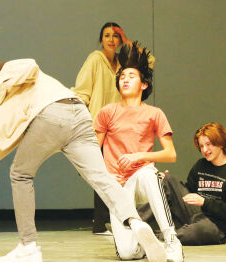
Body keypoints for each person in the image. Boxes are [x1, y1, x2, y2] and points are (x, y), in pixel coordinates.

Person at [0, 58, 167, 262]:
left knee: (20, 175)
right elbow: (4, 143)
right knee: (101, 177)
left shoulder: (16, 77)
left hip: (53, 115)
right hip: (78, 115)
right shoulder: (30, 92)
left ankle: (28, 246)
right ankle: (135, 221)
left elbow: (29, 64)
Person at [94, 43, 183, 261]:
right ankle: (150, 246)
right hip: (116, 186)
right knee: (127, 254)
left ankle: (172, 240)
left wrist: (139, 156)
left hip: (140, 177)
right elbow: (93, 150)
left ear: (144, 84)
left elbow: (170, 154)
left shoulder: (154, 113)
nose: (124, 79)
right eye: (122, 76)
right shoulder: (107, 112)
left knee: (149, 174)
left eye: (131, 76)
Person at [73, 22, 155, 234]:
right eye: (107, 35)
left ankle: (114, 220)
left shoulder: (124, 63)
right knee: (102, 173)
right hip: (100, 125)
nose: (111, 39)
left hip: (120, 125)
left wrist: (128, 41)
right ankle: (100, 223)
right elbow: (83, 90)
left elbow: (149, 61)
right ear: (101, 40)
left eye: (115, 36)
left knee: (116, 173)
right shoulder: (94, 59)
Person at [156, 123, 226, 245]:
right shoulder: (200, 165)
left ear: (220, 143)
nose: (205, 150)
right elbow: (188, 191)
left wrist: (205, 202)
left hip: (216, 226)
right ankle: (131, 222)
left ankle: (158, 238)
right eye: (201, 146)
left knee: (195, 231)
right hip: (195, 214)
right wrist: (169, 184)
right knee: (168, 180)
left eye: (208, 144)